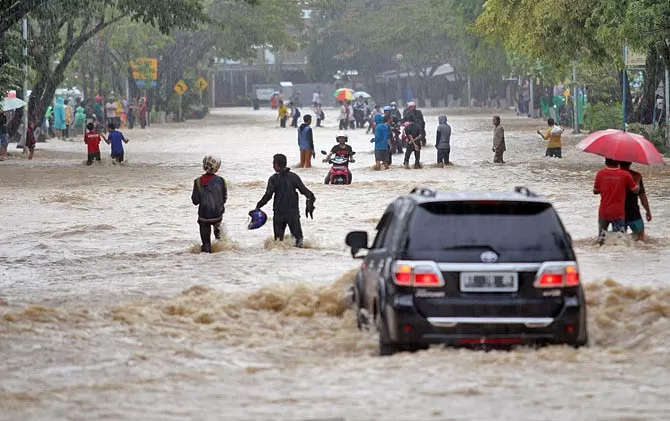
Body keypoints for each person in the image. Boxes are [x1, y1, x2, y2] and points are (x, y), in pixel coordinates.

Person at [252, 153, 316, 248]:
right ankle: (300, 256)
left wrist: (258, 206)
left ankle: (282, 255)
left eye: (273, 163)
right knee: (299, 241)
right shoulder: (294, 177)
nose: (273, 166)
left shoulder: (273, 179)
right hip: (293, 214)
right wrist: (310, 204)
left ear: (276, 165)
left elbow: (268, 195)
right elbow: (308, 194)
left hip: (279, 214)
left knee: (278, 242)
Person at [593, 158, 639, 245]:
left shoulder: (600, 173)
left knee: (601, 239)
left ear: (605, 162)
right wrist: (637, 181)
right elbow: (635, 190)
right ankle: (618, 257)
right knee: (619, 240)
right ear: (618, 162)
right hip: (618, 212)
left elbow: (595, 191)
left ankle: (600, 256)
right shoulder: (625, 174)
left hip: (603, 211)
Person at [191, 155, 227, 253]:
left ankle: (206, 262)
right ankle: (219, 259)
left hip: (204, 217)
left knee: (206, 244)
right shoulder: (222, 181)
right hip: (217, 216)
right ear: (217, 168)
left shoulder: (198, 181)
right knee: (220, 240)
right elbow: (224, 198)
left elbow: (195, 201)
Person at [619, 161, 652, 241]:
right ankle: (637, 253)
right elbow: (642, 195)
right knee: (641, 237)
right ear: (630, 163)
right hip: (634, 212)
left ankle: (620, 254)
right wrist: (648, 211)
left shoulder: (615, 176)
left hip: (619, 212)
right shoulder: (636, 176)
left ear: (618, 163)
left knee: (620, 239)